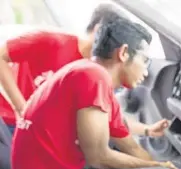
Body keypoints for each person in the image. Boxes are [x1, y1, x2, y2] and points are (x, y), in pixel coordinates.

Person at [11, 17, 181, 169]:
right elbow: (98, 157)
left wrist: (150, 142)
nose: (146, 71)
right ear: (123, 53)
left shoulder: (86, 71)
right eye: (145, 60)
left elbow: (128, 144)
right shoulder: (92, 77)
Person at [0, 3, 169, 137]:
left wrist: (147, 130)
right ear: (98, 29)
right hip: (6, 118)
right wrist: (22, 109)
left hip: (37, 130)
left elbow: (109, 118)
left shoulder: (96, 72)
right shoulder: (52, 41)